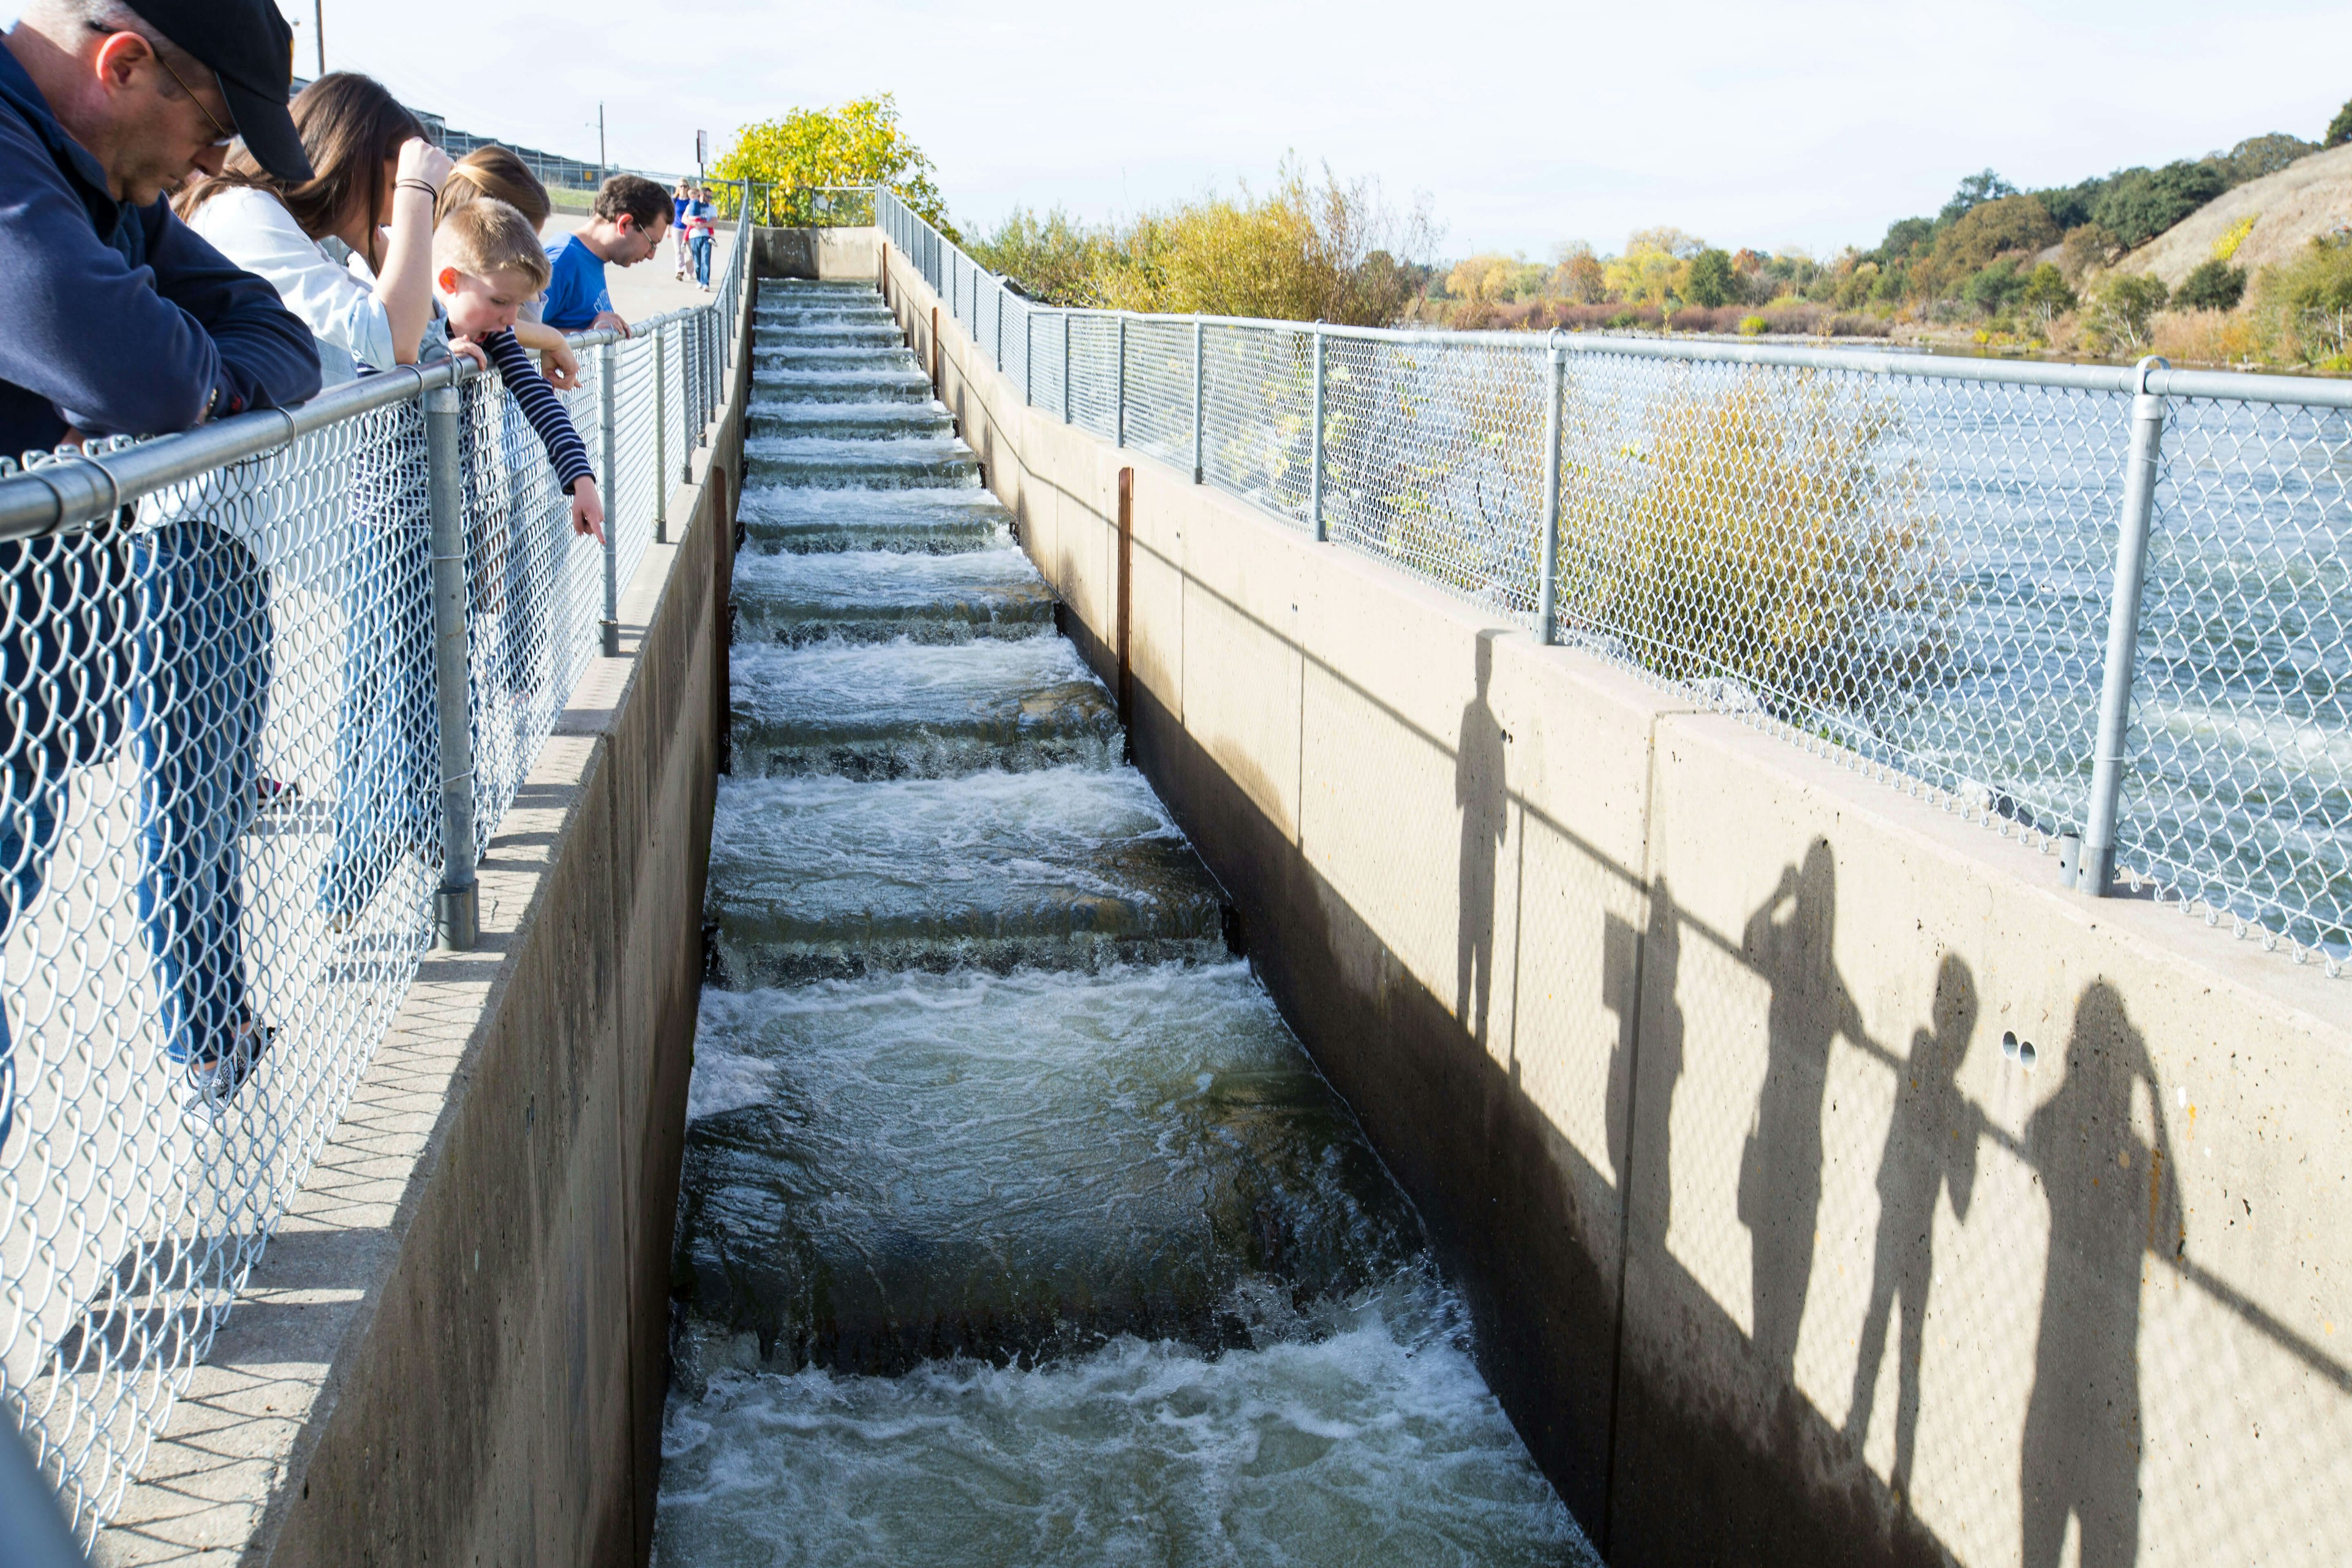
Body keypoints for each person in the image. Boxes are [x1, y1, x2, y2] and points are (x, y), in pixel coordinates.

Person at [0, 0, 320, 1133]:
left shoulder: (101, 183)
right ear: (125, 63)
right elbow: (123, 366)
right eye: (216, 128)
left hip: (25, 704)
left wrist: (194, 383)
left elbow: (281, 339)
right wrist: (181, 384)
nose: (216, 165)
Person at [540, 172, 669, 336]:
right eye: (652, 243)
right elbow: (513, 333)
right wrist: (587, 334)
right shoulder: (562, 261)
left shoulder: (591, 259)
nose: (651, 255)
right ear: (625, 224)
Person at [686, 184, 716, 289]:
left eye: (711, 197)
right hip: (694, 236)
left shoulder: (712, 208)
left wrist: (703, 225)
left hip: (706, 236)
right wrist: (695, 224)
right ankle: (699, 279)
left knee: (706, 260)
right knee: (698, 262)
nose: (710, 199)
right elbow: (684, 220)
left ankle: (706, 283)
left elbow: (714, 222)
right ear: (702, 195)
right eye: (709, 197)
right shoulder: (692, 205)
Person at [671, 176, 690, 280]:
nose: (683, 188)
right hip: (677, 228)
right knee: (678, 250)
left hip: (689, 229)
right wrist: (668, 230)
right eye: (681, 186)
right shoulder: (674, 200)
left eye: (685, 186)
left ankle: (690, 271)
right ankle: (680, 271)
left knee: (690, 253)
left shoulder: (691, 201)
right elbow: (670, 215)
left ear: (688, 188)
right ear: (678, 188)